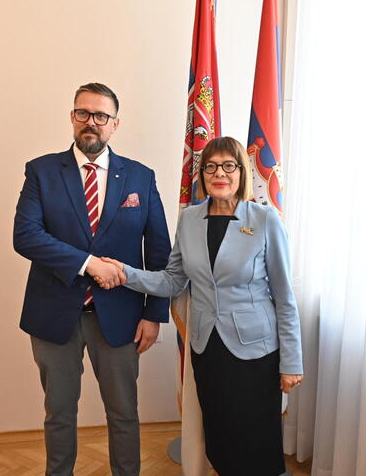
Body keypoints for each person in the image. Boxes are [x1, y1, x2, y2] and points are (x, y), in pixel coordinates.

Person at [98, 136, 303, 476]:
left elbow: (284, 296)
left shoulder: (265, 220)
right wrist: (125, 273)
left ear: (242, 172)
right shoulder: (190, 219)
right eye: (211, 167)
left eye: (228, 165)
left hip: (255, 352)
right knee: (220, 437)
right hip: (208, 348)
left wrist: (291, 361)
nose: (219, 173)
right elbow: (173, 281)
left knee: (255, 440)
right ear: (202, 174)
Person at [13, 82, 171, 476]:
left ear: (115, 124)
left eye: (101, 116)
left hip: (121, 317)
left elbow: (159, 252)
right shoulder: (42, 171)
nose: (91, 122)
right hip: (54, 315)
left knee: (124, 413)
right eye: (83, 113)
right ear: (72, 117)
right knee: (59, 413)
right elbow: (26, 236)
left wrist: (154, 314)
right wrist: (88, 264)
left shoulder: (140, 177)